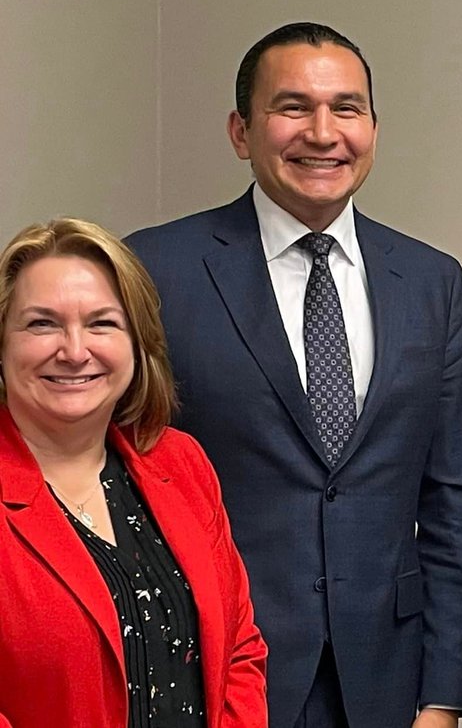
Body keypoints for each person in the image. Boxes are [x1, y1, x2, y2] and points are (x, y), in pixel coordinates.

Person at [126, 23, 462, 728]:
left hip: (388, 682)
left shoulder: (431, 281)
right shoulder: (156, 269)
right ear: (241, 130)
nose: (323, 133)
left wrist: (443, 698)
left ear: (374, 130)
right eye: (292, 107)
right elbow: (126, 487)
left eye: (346, 109)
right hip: (219, 671)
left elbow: (455, 504)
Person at [0, 218, 266, 727]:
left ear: (137, 343)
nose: (75, 351)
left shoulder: (180, 462)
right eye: (41, 324)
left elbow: (240, 649)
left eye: (102, 323)